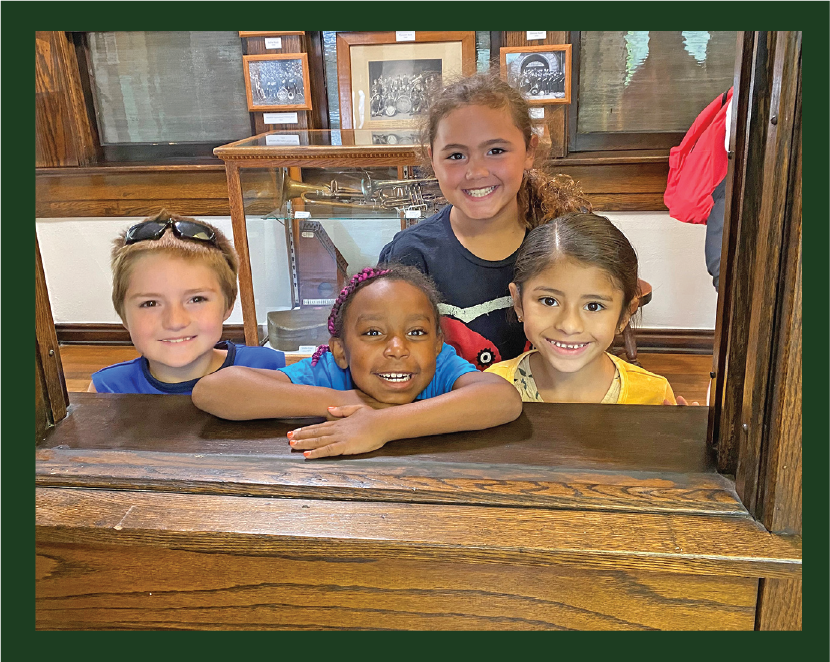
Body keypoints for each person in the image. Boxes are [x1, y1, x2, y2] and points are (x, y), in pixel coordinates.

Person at [191, 264, 523, 459]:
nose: (397, 348)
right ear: (340, 350)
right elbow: (214, 390)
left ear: (438, 343)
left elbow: (502, 399)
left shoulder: (439, 367)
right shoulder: (331, 372)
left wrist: (382, 423)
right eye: (374, 332)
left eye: (417, 332)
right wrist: (349, 401)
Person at [378, 73, 591, 372]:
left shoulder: (564, 241)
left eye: (495, 151)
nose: (475, 171)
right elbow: (389, 357)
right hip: (441, 414)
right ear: (432, 159)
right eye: (455, 155)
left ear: (529, 150)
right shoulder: (411, 255)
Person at [485, 212, 677, 405]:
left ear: (625, 314)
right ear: (518, 302)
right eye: (549, 301)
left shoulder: (654, 396)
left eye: (593, 306)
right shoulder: (490, 389)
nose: (569, 325)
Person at [90, 209, 285, 394]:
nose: (175, 322)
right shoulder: (108, 389)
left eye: (196, 299)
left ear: (229, 304)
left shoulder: (269, 368)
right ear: (123, 314)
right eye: (150, 303)